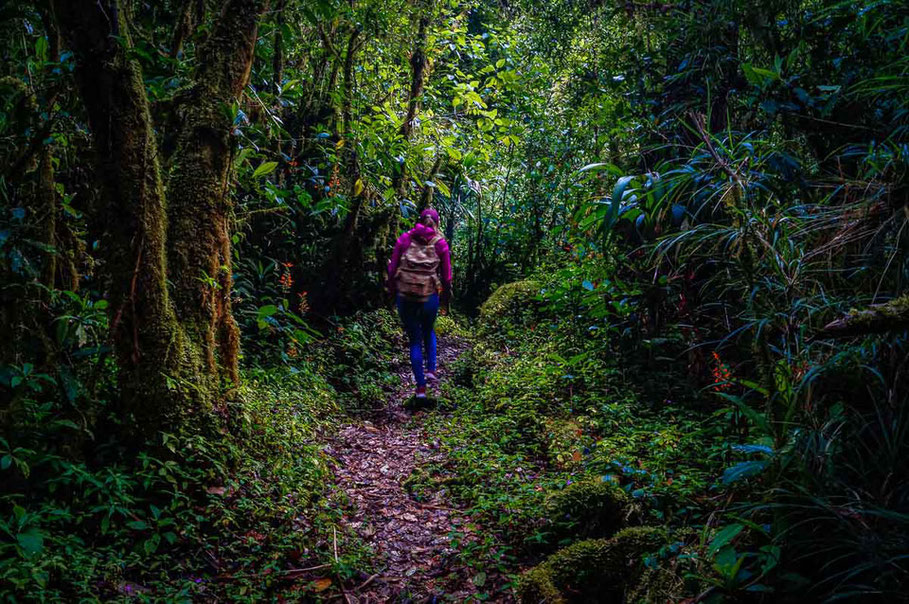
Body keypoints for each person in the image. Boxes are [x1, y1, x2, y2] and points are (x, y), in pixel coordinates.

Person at [387, 208, 452, 398]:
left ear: (420, 221)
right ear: (437, 223)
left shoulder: (405, 239)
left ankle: (421, 389)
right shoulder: (440, 244)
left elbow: (392, 269)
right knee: (428, 329)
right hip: (429, 295)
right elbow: (447, 277)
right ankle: (431, 370)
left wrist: (392, 291)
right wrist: (445, 299)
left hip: (405, 295)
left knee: (414, 340)